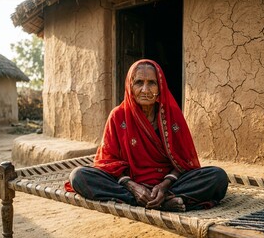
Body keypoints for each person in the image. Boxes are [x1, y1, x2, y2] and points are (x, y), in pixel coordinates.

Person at [66, 59, 228, 212]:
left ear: (160, 87)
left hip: (169, 183)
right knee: (79, 176)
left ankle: (159, 199)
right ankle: (160, 202)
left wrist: (164, 187)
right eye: (138, 83)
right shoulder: (118, 116)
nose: (145, 90)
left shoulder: (172, 115)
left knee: (217, 176)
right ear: (130, 87)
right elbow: (108, 161)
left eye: (151, 83)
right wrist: (134, 187)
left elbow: (184, 161)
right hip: (129, 183)